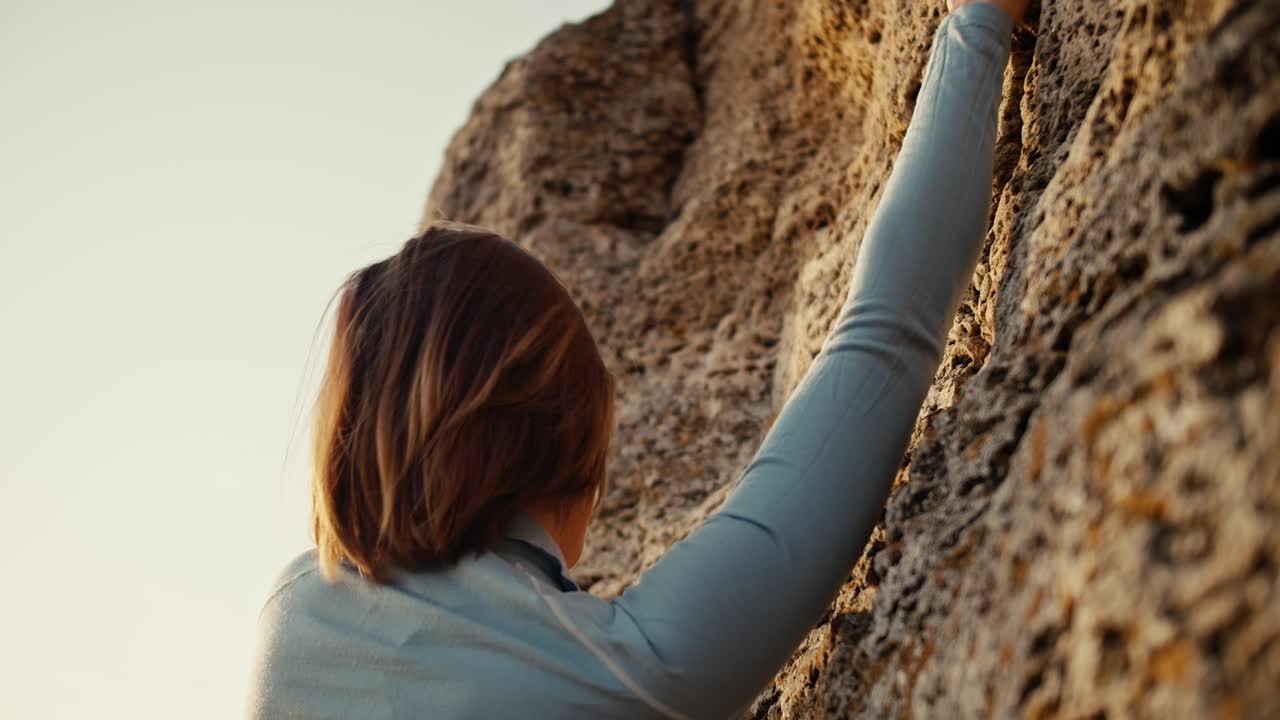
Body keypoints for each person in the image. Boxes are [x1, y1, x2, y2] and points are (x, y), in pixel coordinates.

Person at [247, 0, 1028, 717]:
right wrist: (978, 25)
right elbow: (887, 335)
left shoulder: (288, 620)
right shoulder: (628, 668)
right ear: (570, 463)